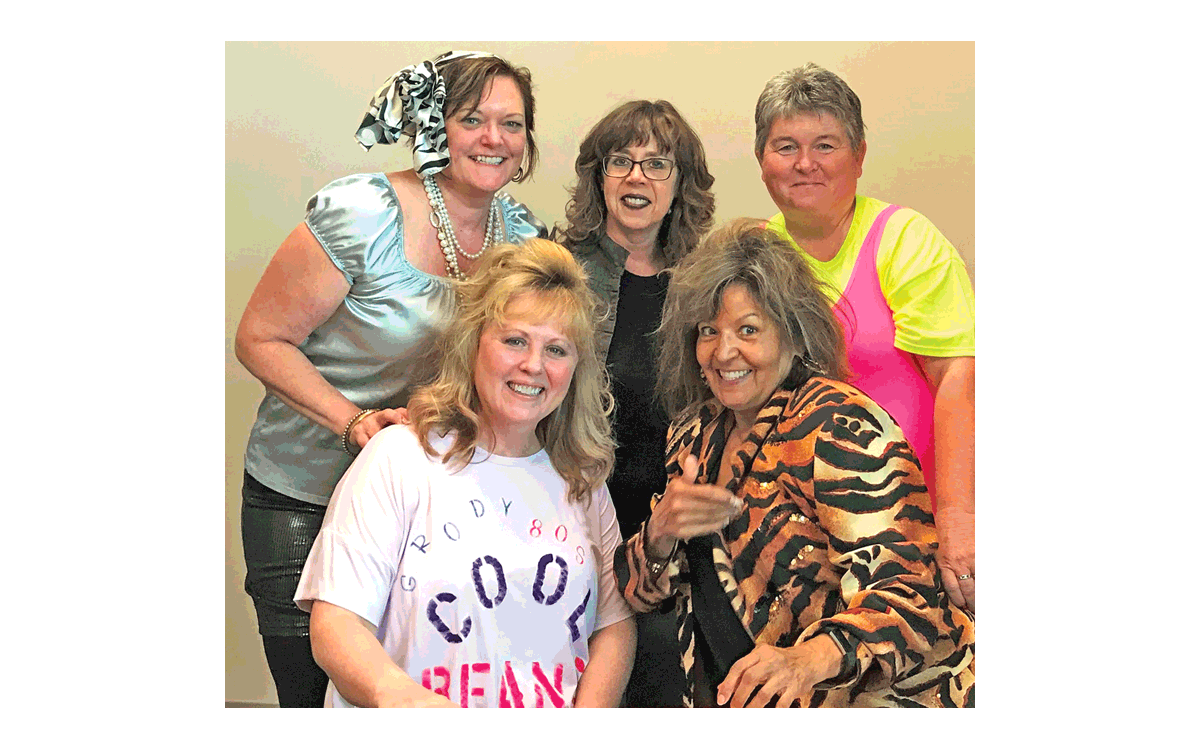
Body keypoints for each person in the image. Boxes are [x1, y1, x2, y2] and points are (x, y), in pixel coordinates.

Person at [234, 50, 546, 706]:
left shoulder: (519, 235)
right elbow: (259, 338)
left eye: (512, 124)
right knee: (318, 699)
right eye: (473, 119)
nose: (495, 138)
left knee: (404, 699)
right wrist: (351, 421)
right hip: (303, 496)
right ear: (435, 129)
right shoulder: (363, 213)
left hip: (414, 508)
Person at [615, 219, 974, 708]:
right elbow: (638, 594)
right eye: (708, 331)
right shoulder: (693, 432)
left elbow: (911, 597)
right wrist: (658, 534)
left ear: (793, 333)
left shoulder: (837, 426)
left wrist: (807, 660)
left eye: (748, 330)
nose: (723, 352)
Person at [294, 238, 636, 708]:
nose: (533, 365)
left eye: (557, 349)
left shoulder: (582, 479)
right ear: (473, 342)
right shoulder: (399, 456)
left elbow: (613, 625)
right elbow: (336, 624)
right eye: (515, 340)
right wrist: (403, 702)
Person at [753, 63, 976, 612]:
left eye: (825, 144)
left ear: (859, 156)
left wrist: (957, 518)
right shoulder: (753, 253)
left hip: (913, 531)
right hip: (801, 543)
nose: (805, 163)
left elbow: (957, 380)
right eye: (786, 146)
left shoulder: (905, 240)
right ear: (762, 162)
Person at [555, 100, 715, 706]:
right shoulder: (559, 268)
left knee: (656, 692)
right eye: (619, 161)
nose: (636, 177)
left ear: (680, 185)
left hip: (668, 541)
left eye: (656, 164)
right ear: (599, 178)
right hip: (571, 521)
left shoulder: (706, 283)